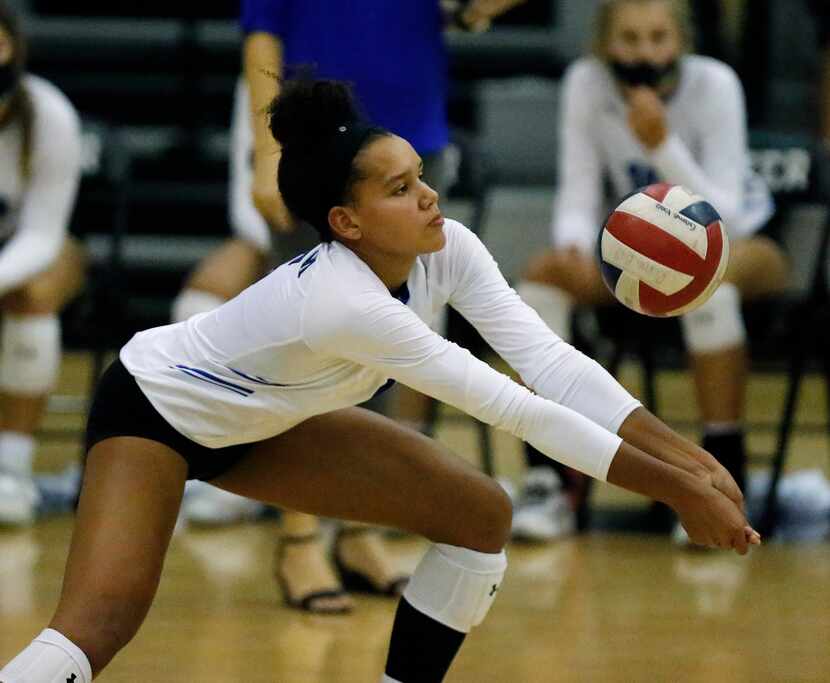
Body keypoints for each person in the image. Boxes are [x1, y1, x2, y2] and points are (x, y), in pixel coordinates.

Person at [0, 76, 760, 683]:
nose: (429, 195)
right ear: (346, 222)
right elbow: (514, 408)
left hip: (267, 424)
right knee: (100, 624)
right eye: (399, 189)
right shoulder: (342, 303)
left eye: (421, 176)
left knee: (478, 515)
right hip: (156, 407)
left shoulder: (447, 246)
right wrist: (676, 490)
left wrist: (692, 461)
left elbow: (553, 365)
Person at [172, 0, 527, 614]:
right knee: (307, 351)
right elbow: (262, 34)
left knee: (393, 345)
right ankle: (299, 538)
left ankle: (361, 529)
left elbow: (470, 9)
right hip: (317, 148)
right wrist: (266, 151)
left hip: (412, 130)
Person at [510, 0, 790, 542]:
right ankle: (547, 480)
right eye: (630, 38)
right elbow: (577, 193)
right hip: (636, 251)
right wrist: (571, 249)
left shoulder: (716, 84)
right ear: (605, 44)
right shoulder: (586, 84)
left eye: (658, 37)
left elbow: (724, 214)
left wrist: (661, 144)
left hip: (739, 241)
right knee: (541, 278)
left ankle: (723, 480)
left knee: (712, 292)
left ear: (680, 42)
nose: (644, 53)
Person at [0, 1, 85, 527]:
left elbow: (42, 236)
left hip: (35, 251)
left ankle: (10, 470)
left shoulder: (47, 112)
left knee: (30, 293)